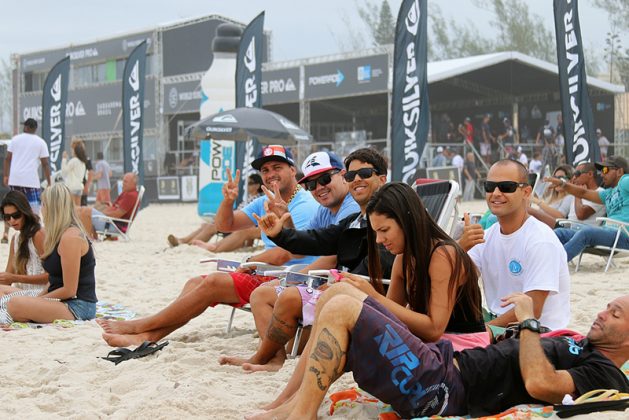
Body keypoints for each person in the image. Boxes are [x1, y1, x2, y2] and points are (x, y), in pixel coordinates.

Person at [256, 291, 629, 419]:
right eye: (606, 306)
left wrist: (529, 322)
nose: (601, 312)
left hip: (442, 389)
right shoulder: (582, 346)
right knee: (335, 296)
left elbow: (540, 383)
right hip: (439, 363)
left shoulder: (605, 374)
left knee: (340, 309)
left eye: (616, 313)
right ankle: (288, 404)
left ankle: (301, 414)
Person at [96, 145, 319, 347]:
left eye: (277, 167)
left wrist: (248, 262)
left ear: (292, 170)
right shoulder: (264, 201)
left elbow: (287, 253)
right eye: (265, 170)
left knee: (212, 281)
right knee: (194, 282)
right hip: (268, 273)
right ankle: (148, 335)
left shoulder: (305, 204)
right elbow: (225, 224)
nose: (270, 174)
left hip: (291, 278)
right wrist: (228, 200)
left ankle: (141, 327)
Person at [219, 148, 390, 372]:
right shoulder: (351, 216)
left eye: (325, 179)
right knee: (263, 294)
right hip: (341, 286)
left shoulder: (380, 213)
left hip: (356, 293)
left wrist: (299, 277)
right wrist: (281, 231)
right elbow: (311, 242)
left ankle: (269, 357)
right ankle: (270, 358)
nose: (319, 187)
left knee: (278, 295)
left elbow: (349, 258)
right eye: (311, 184)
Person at [459, 159, 570, 330]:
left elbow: (533, 309)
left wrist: (486, 330)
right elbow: (458, 282)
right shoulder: (487, 237)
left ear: (526, 192)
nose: (495, 193)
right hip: (499, 321)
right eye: (489, 186)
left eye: (506, 187)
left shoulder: (540, 240)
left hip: (536, 331)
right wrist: (459, 248)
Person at [3, 183, 97, 324]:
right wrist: (38, 298)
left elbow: (69, 290)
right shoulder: (60, 235)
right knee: (14, 302)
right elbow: (54, 280)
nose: (41, 209)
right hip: (64, 301)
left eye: (44, 205)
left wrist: (38, 300)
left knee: (15, 304)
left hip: (78, 306)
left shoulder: (70, 238)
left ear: (53, 208)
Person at [551, 156, 629, 262]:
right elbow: (584, 193)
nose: (602, 174)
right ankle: (536, 261)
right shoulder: (608, 193)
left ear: (619, 171)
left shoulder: (625, 181)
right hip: (608, 233)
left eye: (605, 170)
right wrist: (563, 184)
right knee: (560, 232)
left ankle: (554, 263)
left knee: (586, 233)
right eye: (601, 171)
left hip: (623, 235)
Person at [169, 173, 265, 251]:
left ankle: (192, 245)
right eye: (246, 183)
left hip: (244, 225)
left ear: (257, 185)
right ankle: (183, 241)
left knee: (212, 226)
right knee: (206, 225)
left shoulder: (258, 199)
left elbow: (251, 217)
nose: (247, 185)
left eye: (250, 183)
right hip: (239, 222)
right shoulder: (250, 198)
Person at [2, 118, 51, 243]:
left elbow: (8, 159)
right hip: (31, 180)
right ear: (35, 128)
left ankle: (5, 234)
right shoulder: (41, 142)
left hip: (15, 178)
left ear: (26, 127)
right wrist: (49, 182)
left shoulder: (15, 139)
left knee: (10, 207)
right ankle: (34, 233)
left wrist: (6, 175)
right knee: (33, 208)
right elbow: (45, 164)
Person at [528, 162, 605, 229]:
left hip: (579, 229)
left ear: (590, 174)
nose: (574, 177)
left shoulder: (599, 192)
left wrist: (577, 192)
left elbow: (580, 215)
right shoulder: (552, 196)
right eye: (555, 177)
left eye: (577, 173)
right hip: (569, 228)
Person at [0, 191, 48, 297]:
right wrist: (8, 277)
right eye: (7, 217)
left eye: (16, 215)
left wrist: (15, 278)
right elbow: (7, 277)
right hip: (22, 293)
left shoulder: (38, 235)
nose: (11, 220)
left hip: (42, 294)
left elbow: (51, 276)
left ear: (25, 212)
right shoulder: (15, 239)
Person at [76, 172, 140, 239]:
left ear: (133, 184)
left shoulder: (131, 196)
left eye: (125, 181)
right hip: (111, 223)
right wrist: (106, 208)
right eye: (123, 180)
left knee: (85, 211)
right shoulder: (128, 193)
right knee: (82, 210)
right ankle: (90, 237)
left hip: (112, 226)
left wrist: (102, 213)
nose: (123, 183)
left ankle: (89, 237)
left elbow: (116, 214)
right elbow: (116, 208)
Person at [61, 142, 88, 206]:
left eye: (72, 149)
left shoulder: (74, 160)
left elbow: (64, 171)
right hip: (79, 187)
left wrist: (64, 159)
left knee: (71, 208)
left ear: (75, 151)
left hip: (72, 187)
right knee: (78, 208)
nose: (71, 151)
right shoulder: (82, 162)